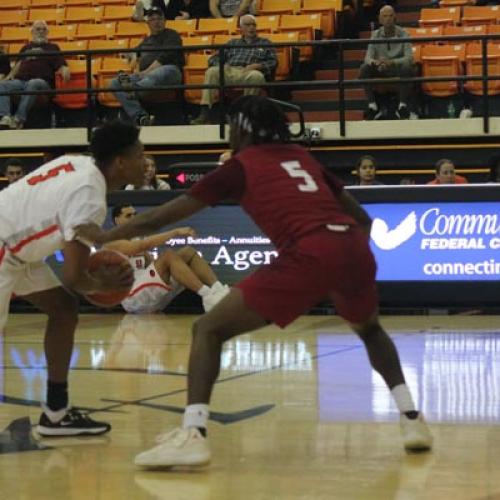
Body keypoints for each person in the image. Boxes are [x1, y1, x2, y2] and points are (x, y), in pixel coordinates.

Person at [76, 95, 433, 468]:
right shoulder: (302, 157)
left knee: (208, 330)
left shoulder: (240, 166)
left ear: (242, 130)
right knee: (370, 329)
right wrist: (341, 263)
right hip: (352, 247)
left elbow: (158, 218)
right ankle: (412, 421)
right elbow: (362, 220)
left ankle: (193, 434)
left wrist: (101, 238)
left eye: (232, 126)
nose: (229, 133)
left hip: (308, 251)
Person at [0, 120, 146, 437]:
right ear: (120, 162)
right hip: (4, 244)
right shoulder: (89, 194)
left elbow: (79, 233)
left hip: (17, 247)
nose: (146, 162)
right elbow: (74, 277)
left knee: (64, 310)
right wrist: (103, 286)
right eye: (140, 155)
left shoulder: (80, 165)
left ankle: (55, 413)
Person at [107, 204, 229, 313]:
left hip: (148, 294)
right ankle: (208, 296)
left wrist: (186, 267)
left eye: (135, 214)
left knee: (188, 252)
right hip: (131, 298)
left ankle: (219, 292)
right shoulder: (111, 242)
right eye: (129, 216)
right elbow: (143, 245)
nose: (134, 218)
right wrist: (175, 232)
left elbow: (153, 265)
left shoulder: (136, 240)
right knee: (168, 255)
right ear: (117, 220)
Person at [191, 15, 277, 125]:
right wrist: (222, 65)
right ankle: (205, 112)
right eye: (247, 25)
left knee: (257, 76)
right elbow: (213, 58)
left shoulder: (265, 43)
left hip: (249, 72)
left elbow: (273, 62)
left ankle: (245, 114)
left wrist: (258, 66)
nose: (251, 27)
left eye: (253, 25)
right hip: (230, 71)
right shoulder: (233, 43)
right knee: (211, 72)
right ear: (241, 28)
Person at [110, 7, 184, 126]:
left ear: (165, 21)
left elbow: (165, 57)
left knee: (158, 73)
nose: (156, 22)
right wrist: (130, 54)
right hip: (145, 77)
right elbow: (135, 51)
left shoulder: (172, 35)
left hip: (170, 72)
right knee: (114, 83)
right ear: (148, 23)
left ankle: (132, 90)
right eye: (153, 19)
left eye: (159, 19)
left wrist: (146, 72)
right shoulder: (147, 40)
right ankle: (141, 117)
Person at [0, 20, 70, 130]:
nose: (41, 31)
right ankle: (5, 116)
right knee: (2, 85)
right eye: (38, 29)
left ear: (47, 33)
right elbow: (18, 65)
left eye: (44, 29)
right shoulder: (25, 48)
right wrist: (7, 79)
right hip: (21, 81)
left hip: (43, 83)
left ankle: (19, 118)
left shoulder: (53, 47)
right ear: (32, 32)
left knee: (33, 83)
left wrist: (65, 69)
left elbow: (61, 65)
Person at [359, 6, 414, 121]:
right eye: (384, 16)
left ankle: (402, 106)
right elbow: (367, 58)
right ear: (380, 19)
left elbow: (409, 58)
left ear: (395, 18)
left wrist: (391, 62)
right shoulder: (375, 34)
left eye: (390, 16)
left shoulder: (404, 33)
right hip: (380, 67)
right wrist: (377, 63)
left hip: (396, 67)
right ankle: (373, 106)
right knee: (364, 68)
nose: (388, 19)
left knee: (407, 67)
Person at [133, 0, 210, 21]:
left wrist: (189, 18)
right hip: (174, 25)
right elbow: (169, 16)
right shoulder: (175, 1)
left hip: (196, 25)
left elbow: (204, 15)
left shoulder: (203, 1)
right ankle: (143, 15)